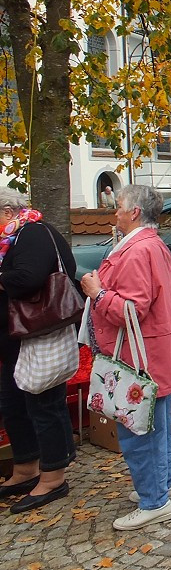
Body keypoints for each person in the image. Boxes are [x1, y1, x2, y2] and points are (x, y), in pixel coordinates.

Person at [80, 184, 171, 530]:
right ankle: (163, 486)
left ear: (134, 213)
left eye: (119, 207)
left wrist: (98, 293)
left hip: (142, 358)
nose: (115, 212)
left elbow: (132, 309)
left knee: (139, 428)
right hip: (155, 351)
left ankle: (154, 500)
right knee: (155, 426)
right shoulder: (148, 245)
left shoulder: (139, 250)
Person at [0, 191, 79, 514]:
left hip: (39, 334)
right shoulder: (15, 237)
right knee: (14, 403)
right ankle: (25, 468)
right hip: (17, 338)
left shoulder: (32, 233)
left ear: (8, 211)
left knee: (43, 404)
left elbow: (28, 278)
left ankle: (53, 475)